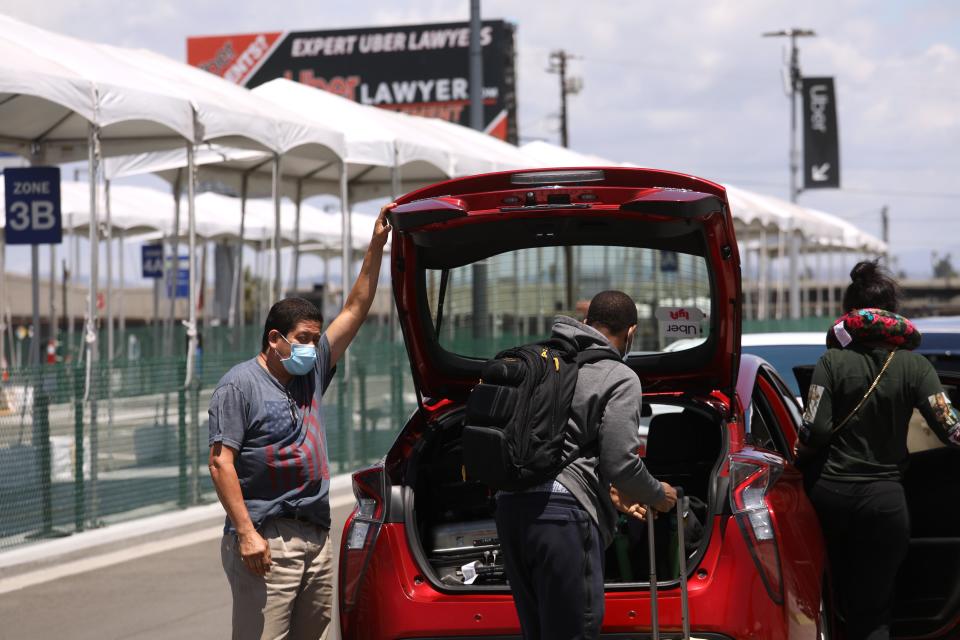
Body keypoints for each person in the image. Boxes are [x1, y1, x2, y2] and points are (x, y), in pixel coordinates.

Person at [207, 205, 392, 640]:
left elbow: (356, 308)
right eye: (304, 339)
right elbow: (221, 463)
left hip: (315, 535)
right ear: (275, 339)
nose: (313, 347)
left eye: (315, 338)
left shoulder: (309, 372)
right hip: (268, 540)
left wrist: (377, 246)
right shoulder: (240, 386)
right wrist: (248, 534)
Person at [494, 290, 678, 640]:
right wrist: (658, 495)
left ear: (585, 323)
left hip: (510, 508)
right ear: (631, 333)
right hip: (563, 517)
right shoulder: (618, 376)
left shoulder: (540, 363)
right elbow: (621, 463)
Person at [799, 261, 960, 640]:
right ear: (893, 312)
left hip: (829, 498)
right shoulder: (916, 367)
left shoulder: (830, 362)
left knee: (826, 597)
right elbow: (951, 430)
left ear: (849, 314)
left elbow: (815, 429)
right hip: (886, 502)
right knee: (873, 609)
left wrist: (798, 456)